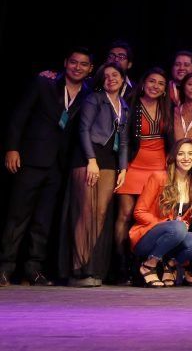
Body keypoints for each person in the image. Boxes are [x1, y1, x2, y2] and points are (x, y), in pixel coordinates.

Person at [1, 47, 93, 286]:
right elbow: (19, 116)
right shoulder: (45, 83)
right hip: (31, 159)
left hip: (59, 165)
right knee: (17, 215)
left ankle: (34, 269)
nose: (77, 67)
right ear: (65, 62)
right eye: (73, 62)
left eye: (83, 64)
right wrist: (12, 148)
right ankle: (5, 267)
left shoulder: (88, 93)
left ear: (90, 69)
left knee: (43, 219)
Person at [67, 62, 129, 287]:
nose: (111, 78)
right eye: (106, 75)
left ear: (123, 78)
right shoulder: (94, 99)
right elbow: (83, 129)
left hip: (110, 160)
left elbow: (124, 141)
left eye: (115, 75)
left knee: (101, 213)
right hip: (89, 156)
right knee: (86, 212)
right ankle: (77, 267)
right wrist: (91, 160)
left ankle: (89, 264)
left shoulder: (124, 105)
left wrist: (123, 168)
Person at [115, 67, 174, 285]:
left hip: (158, 167)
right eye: (151, 81)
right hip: (134, 165)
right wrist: (123, 167)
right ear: (143, 83)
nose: (155, 86)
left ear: (165, 89)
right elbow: (124, 139)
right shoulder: (130, 103)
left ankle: (145, 266)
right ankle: (122, 268)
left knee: (152, 217)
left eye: (160, 83)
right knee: (125, 215)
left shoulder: (168, 108)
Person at [129, 139, 192, 287]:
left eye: (190, 154)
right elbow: (139, 212)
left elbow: (184, 218)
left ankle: (170, 265)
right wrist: (166, 224)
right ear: (174, 157)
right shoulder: (159, 177)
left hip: (173, 237)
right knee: (178, 227)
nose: (186, 158)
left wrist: (182, 224)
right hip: (148, 236)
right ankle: (149, 265)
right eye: (181, 154)